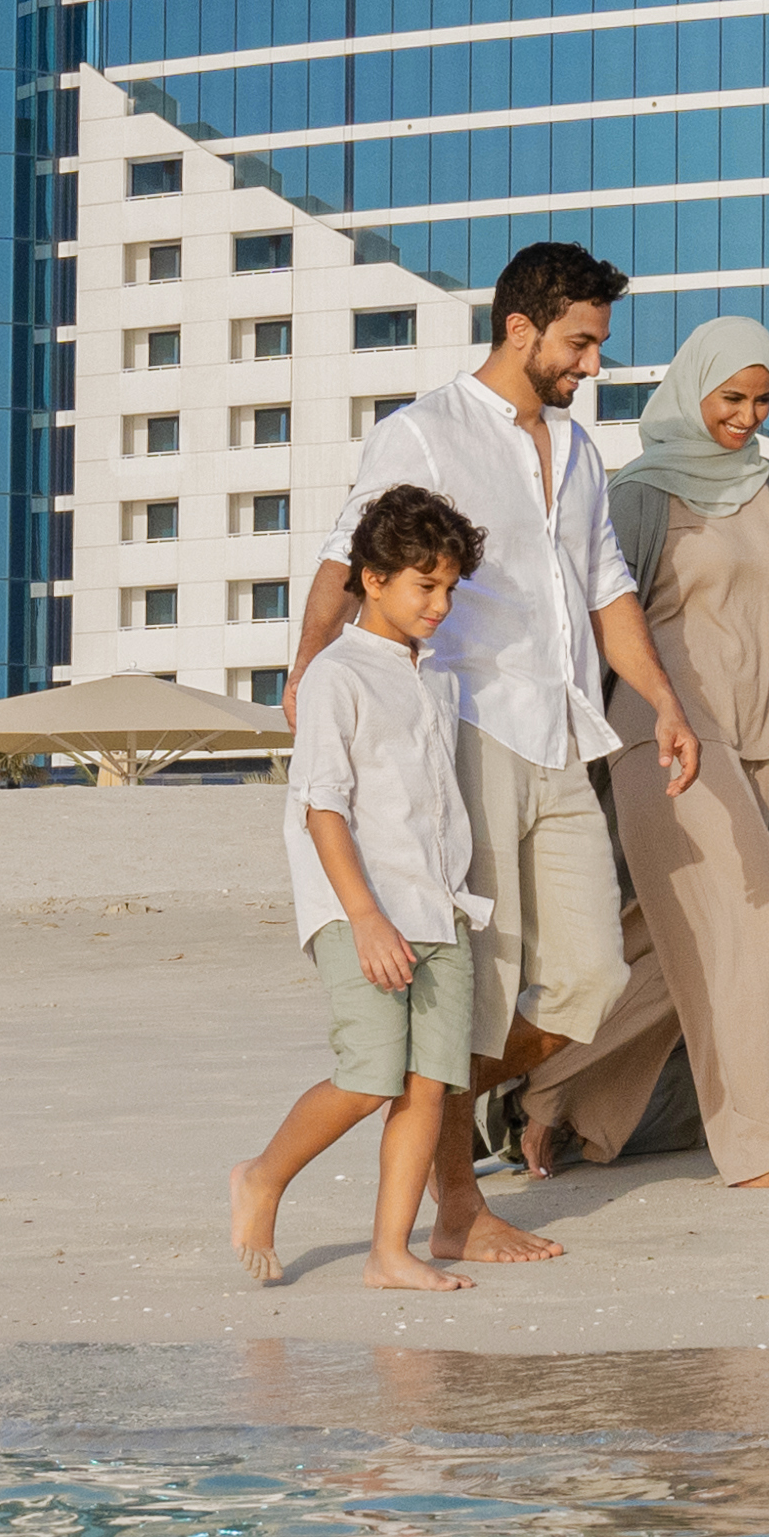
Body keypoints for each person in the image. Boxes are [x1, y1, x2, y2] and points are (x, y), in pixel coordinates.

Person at [291, 240, 698, 1210]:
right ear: (521, 326)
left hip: (562, 734)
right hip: (466, 728)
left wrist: (667, 703)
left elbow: (607, 592)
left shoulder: (584, 451)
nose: (592, 363)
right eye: (580, 342)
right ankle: (458, 1212)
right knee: (482, 981)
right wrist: (306, 667)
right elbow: (351, 555)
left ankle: (448, 1113)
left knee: (590, 978)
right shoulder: (424, 432)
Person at [529, 316, 769, 1188]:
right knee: (756, 933)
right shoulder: (640, 492)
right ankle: (763, 1141)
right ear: (692, 390)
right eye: (731, 398)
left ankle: (549, 1093)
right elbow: (592, 623)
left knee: (666, 954)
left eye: (761, 400)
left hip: (749, 744)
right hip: (659, 737)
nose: (747, 416)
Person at [233, 486, 498, 1295]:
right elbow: (321, 806)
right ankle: (263, 1177)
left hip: (439, 904)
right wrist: (366, 917)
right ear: (372, 578)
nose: (440, 603)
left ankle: (391, 1252)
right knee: (369, 1076)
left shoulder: (436, 677)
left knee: (428, 1083)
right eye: (424, 584)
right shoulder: (334, 675)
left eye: (450, 586)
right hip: (360, 908)